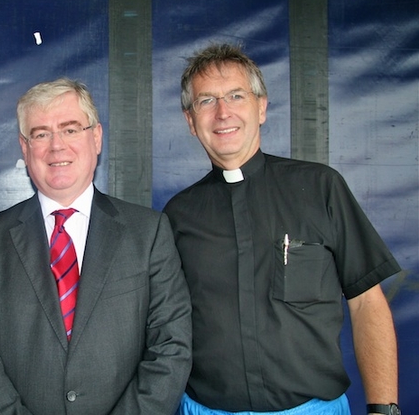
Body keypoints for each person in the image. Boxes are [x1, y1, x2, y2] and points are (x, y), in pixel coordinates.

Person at [164, 43, 402, 415]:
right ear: (190, 121)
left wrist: (384, 408)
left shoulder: (321, 187)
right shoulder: (178, 215)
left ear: (261, 107)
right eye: (206, 101)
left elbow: (366, 302)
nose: (223, 112)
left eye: (236, 95)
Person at [0, 77, 192, 415]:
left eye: (70, 129)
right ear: (24, 147)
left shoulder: (148, 233)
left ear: (96, 137)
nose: (56, 146)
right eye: (40, 133)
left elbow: (171, 347)